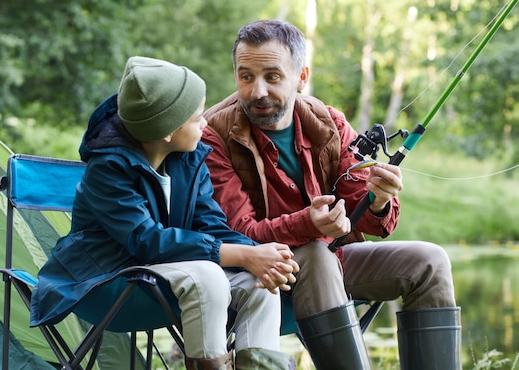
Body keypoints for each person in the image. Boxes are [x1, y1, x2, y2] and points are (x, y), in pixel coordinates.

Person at [202, 19, 461, 370]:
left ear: (302, 76)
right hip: (257, 275)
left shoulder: (328, 121)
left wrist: (381, 200)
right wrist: (307, 223)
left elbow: (374, 221)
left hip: (333, 263)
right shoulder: (213, 134)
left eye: (272, 77)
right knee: (315, 253)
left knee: (430, 262)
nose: (257, 91)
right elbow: (239, 233)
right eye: (246, 76)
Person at [29, 56, 300, 370]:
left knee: (258, 284)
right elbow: (146, 241)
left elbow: (210, 224)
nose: (206, 123)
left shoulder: (188, 157)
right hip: (105, 285)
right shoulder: (107, 170)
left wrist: (259, 256)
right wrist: (240, 254)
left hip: (164, 279)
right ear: (168, 129)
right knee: (208, 275)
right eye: (197, 117)